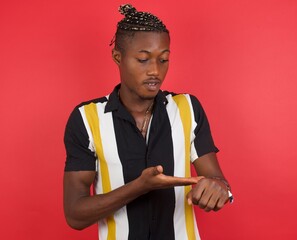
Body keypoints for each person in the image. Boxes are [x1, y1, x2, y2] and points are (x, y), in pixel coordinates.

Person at [63, 4, 233, 240]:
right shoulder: (86, 119)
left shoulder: (188, 108)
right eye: (143, 59)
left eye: (163, 59)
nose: (155, 71)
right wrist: (140, 186)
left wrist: (219, 188)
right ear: (117, 57)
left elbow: (217, 179)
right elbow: (75, 215)